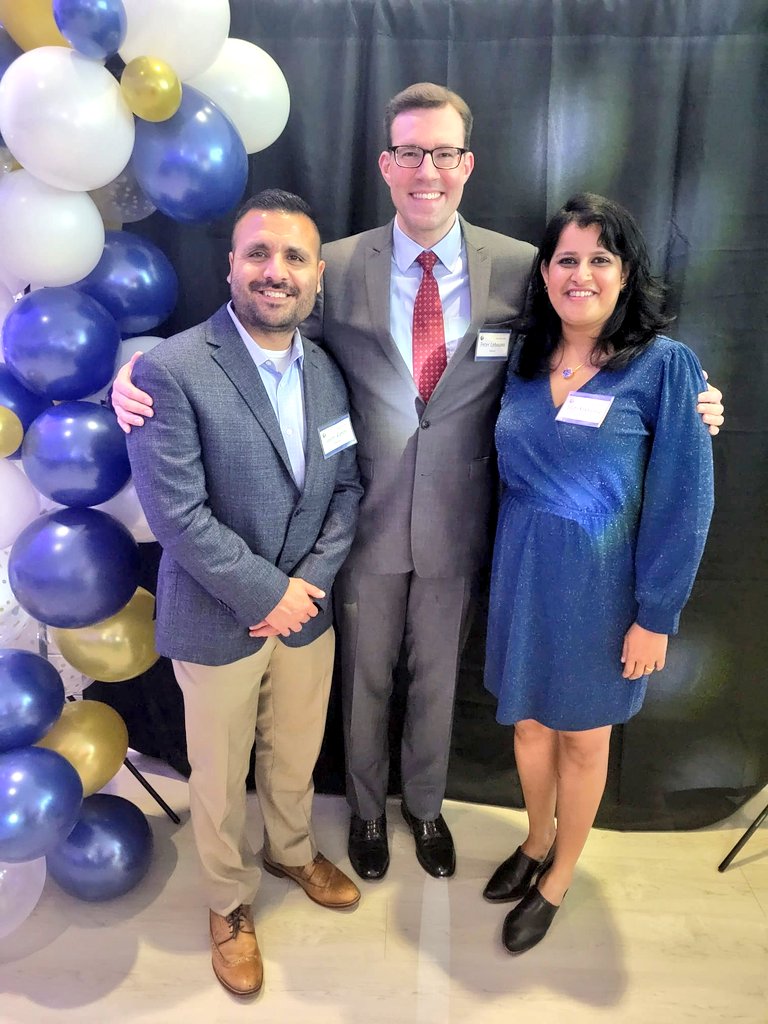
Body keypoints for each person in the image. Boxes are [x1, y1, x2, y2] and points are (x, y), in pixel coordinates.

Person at [112, 84, 725, 884]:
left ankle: (425, 806)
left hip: (464, 521)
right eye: (410, 153)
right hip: (357, 523)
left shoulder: (519, 267)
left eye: (442, 152)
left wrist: (694, 393)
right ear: (386, 165)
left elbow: (592, 341)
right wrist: (138, 367)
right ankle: (366, 811)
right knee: (362, 681)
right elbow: (254, 332)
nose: (426, 169)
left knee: (438, 679)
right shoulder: (328, 263)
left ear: (466, 165)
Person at [125, 189, 363, 996]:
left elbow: (348, 489)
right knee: (220, 781)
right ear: (230, 264)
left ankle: (291, 851)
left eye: (294, 257)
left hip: (308, 616)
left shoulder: (327, 371)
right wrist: (266, 593)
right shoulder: (173, 368)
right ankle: (228, 904)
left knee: (294, 756)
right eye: (258, 253)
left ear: (317, 275)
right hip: (217, 618)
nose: (276, 272)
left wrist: (310, 587)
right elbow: (176, 515)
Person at [482, 193, 714, 955]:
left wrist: (658, 614)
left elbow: (684, 498)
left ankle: (559, 876)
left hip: (607, 594)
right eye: (567, 259)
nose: (581, 274)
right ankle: (534, 839)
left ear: (624, 274)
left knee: (583, 740)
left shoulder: (664, 366)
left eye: (599, 260)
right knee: (527, 724)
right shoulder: (518, 361)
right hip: (523, 577)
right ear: (545, 273)